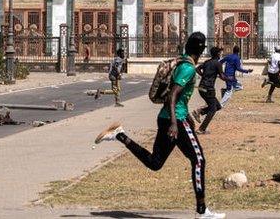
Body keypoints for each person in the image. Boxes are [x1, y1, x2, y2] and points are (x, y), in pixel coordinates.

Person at [93, 33, 225, 219]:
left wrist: (185, 116)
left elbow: (177, 98)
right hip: (174, 120)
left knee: (155, 163)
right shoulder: (187, 68)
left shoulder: (182, 64)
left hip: (169, 118)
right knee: (199, 160)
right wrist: (175, 123)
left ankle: (119, 135)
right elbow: (172, 96)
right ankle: (202, 211)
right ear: (201, 50)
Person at [191, 47, 227, 133]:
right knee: (213, 109)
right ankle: (201, 129)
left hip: (202, 88)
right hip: (209, 89)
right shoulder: (218, 64)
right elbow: (222, 77)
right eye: (221, 53)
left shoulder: (207, 62)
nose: (222, 54)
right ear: (218, 54)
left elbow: (197, 69)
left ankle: (199, 111)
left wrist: (203, 75)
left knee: (218, 106)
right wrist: (230, 79)